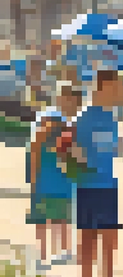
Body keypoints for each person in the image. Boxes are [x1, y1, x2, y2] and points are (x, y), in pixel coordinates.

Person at [73, 68, 123, 277]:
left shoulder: (110, 117)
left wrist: (120, 146)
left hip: (108, 184)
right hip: (88, 185)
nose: (119, 92)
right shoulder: (83, 118)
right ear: (103, 88)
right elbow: (72, 152)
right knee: (88, 238)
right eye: (116, 87)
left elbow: (113, 148)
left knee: (109, 236)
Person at [27, 82, 82, 266]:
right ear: (62, 99)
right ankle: (42, 254)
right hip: (47, 176)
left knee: (61, 215)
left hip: (62, 177)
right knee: (45, 217)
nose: (75, 106)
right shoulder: (51, 120)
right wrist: (33, 177)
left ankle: (61, 252)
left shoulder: (70, 122)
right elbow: (35, 147)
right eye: (73, 101)